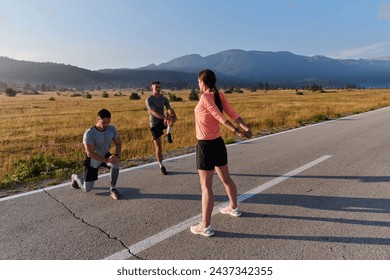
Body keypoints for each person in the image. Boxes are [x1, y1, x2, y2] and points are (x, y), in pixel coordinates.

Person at [190, 69, 252, 237]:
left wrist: (237, 130)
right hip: (218, 144)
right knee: (226, 178)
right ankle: (234, 207)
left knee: (206, 187)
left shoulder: (205, 97)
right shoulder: (219, 95)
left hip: (205, 146)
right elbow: (232, 113)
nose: (198, 85)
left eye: (198, 82)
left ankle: (205, 225)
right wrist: (244, 126)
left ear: (203, 82)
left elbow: (219, 116)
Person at [71, 109, 122, 200]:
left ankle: (112, 189)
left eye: (108, 122)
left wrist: (117, 155)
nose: (106, 125)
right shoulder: (89, 133)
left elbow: (118, 143)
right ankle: (76, 177)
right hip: (93, 159)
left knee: (115, 165)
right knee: (87, 189)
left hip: (105, 154)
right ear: (97, 120)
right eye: (104, 122)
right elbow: (90, 153)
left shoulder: (112, 129)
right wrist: (107, 160)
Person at [145, 81, 177, 175]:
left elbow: (168, 108)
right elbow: (153, 113)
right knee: (158, 146)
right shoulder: (149, 99)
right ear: (152, 88)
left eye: (159, 87)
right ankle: (161, 165)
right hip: (154, 124)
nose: (158, 89)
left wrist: (172, 114)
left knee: (171, 114)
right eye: (156, 87)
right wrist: (166, 117)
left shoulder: (164, 99)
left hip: (163, 121)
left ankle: (168, 134)